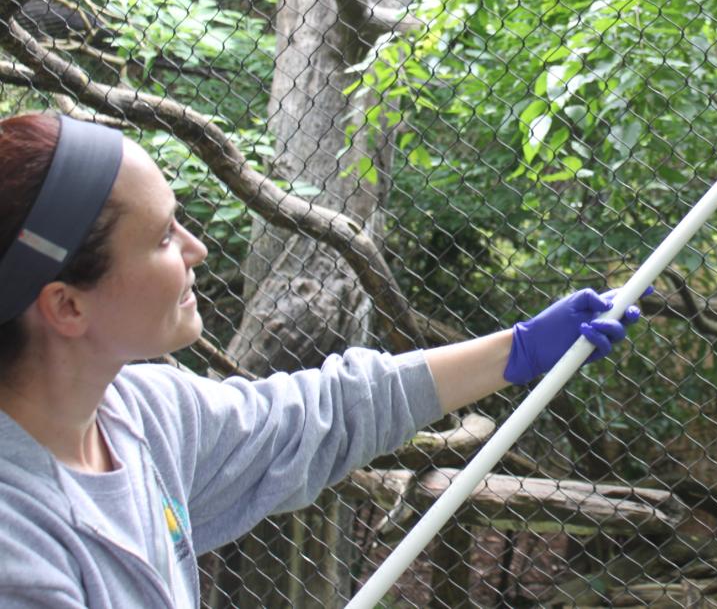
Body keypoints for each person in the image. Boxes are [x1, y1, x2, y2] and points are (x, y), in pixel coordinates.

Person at [0, 112, 646, 608]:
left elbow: (322, 412)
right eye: (165, 234)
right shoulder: (16, 538)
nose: (195, 247)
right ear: (67, 306)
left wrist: (520, 349)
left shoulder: (140, 413)